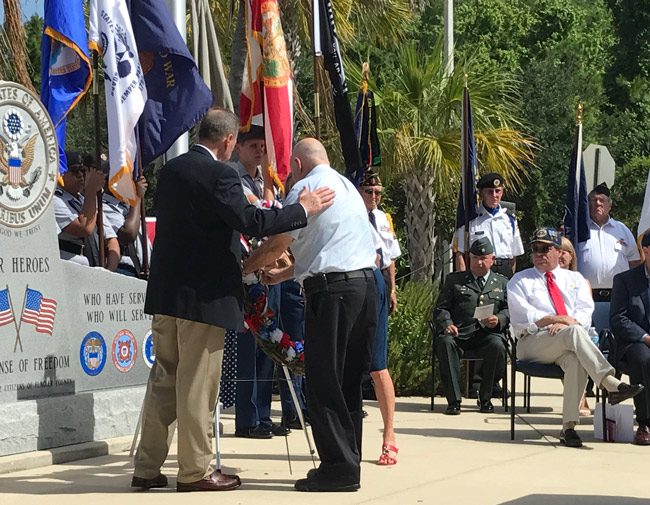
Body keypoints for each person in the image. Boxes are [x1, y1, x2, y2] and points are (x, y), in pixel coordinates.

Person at [132, 109, 334, 492]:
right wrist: (303, 210)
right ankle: (194, 472)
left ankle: (147, 467)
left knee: (164, 378)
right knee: (197, 384)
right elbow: (252, 222)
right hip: (203, 298)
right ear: (227, 142)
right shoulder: (221, 174)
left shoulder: (171, 171)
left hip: (166, 294)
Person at [243, 138, 377, 492]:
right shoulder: (346, 186)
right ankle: (349, 459)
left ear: (299, 166)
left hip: (333, 293)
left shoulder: (305, 188)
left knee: (323, 380)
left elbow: (277, 244)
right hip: (364, 287)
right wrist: (283, 274)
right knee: (348, 380)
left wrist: (245, 268)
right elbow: (328, 246)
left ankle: (337, 468)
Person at [507, 227, 644, 448]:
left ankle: (568, 427)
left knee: (575, 360)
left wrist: (565, 324)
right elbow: (524, 317)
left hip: (570, 340)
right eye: (535, 249)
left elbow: (584, 313)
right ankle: (610, 383)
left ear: (559, 251)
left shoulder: (575, 279)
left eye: (545, 248)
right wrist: (555, 319)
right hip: (532, 342)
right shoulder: (520, 280)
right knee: (573, 333)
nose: (539, 254)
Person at [433, 237, 509, 415]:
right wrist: (447, 324)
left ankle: (486, 397)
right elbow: (440, 308)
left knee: (498, 346)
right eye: (475, 258)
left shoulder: (501, 282)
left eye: (484, 258)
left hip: (486, 334)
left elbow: (508, 310)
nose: (480, 262)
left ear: (492, 259)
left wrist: (499, 319)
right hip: (459, 333)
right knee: (444, 343)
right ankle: (454, 400)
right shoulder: (455, 280)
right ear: (470, 259)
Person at [357, 170, 400, 465]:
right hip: (356, 279)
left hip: (379, 283)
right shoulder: (352, 215)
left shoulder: (384, 218)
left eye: (378, 193)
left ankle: (389, 434)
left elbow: (390, 256)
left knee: (378, 363)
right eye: (369, 191)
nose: (373, 197)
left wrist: (393, 289)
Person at [609, 230, 650, 445]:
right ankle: (644, 423)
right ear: (645, 250)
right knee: (643, 359)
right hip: (636, 342)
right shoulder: (625, 280)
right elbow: (618, 318)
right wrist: (644, 337)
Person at [54, 151, 119, 270]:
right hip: (68, 267)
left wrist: (109, 273)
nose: (80, 175)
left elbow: (112, 241)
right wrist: (91, 190)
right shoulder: (55, 200)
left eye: (83, 170)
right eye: (74, 171)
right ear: (61, 173)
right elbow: (84, 228)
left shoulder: (85, 200)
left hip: (93, 268)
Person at [578, 182, 641, 302]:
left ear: (609, 205)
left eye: (602, 200)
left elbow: (635, 263)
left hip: (619, 296)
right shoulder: (580, 230)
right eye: (593, 200)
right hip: (585, 296)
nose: (597, 203)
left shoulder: (622, 229)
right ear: (587, 204)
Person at [455, 172, 523, 278]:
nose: (494, 195)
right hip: (479, 270)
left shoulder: (509, 219)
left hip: (504, 270)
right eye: (489, 192)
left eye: (498, 191)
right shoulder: (471, 220)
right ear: (482, 194)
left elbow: (514, 254)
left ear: (502, 192)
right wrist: (461, 280)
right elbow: (460, 253)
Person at [98, 156, 149, 277]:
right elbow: (128, 233)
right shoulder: (103, 206)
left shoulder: (125, 206)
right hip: (124, 269)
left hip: (141, 271)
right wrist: (137, 197)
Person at [559, 236, 591, 416]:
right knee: (571, 351)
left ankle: (579, 395)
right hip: (555, 332)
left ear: (572, 256)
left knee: (579, 342)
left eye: (566, 252)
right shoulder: (543, 280)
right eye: (559, 251)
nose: (562, 255)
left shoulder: (580, 281)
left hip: (581, 329)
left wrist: (572, 324)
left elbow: (586, 313)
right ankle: (580, 396)